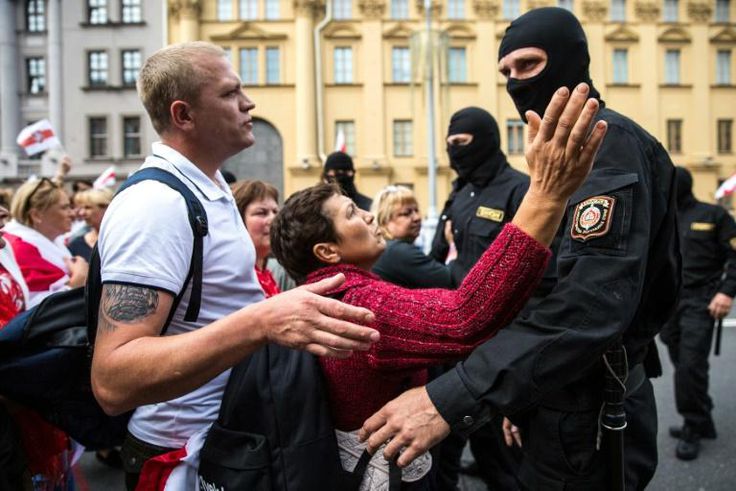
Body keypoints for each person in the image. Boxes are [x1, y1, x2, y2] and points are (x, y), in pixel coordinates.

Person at [360, 8, 680, 491]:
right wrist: (519, 395)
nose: (515, 83)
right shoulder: (554, 154)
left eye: (528, 65)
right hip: (552, 391)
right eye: (505, 72)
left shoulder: (602, 145)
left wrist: (455, 395)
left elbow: (590, 305)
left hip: (591, 408)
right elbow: (543, 284)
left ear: (569, 60)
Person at [270, 84, 607, 489]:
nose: (369, 215)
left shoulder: (330, 290)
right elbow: (465, 316)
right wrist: (546, 196)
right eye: (352, 214)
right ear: (326, 251)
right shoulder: (357, 302)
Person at [89, 41, 380, 490]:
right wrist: (263, 321)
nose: (249, 103)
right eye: (229, 94)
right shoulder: (156, 204)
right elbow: (113, 379)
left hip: (228, 441)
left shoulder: (209, 185)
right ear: (184, 115)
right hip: (180, 455)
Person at [430, 106, 540, 490]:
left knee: (506, 447)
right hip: (457, 338)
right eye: (448, 144)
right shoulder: (459, 193)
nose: (453, 151)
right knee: (459, 434)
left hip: (501, 340)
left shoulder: (520, 190)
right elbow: (436, 259)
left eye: (461, 143)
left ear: (487, 140)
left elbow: (534, 272)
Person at [660, 166, 736, 461]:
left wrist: (726, 291)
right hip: (670, 304)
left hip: (701, 301)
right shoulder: (663, 219)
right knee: (684, 365)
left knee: (690, 365)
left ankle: (693, 424)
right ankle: (703, 419)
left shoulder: (713, 215)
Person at [4, 178, 89, 307]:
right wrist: (75, 283)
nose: (72, 213)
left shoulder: (50, 240)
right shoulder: (19, 248)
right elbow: (28, 308)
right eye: (65, 208)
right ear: (36, 215)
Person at [371, 185, 453, 289]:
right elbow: (450, 280)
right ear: (384, 220)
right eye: (406, 213)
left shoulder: (384, 247)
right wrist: (453, 248)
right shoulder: (398, 251)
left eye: (416, 210)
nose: (417, 217)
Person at [232, 179, 281, 297]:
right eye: (262, 213)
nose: (273, 220)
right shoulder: (237, 277)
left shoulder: (265, 274)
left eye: (275, 212)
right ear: (239, 220)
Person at [67, 187, 113, 261]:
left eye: (87, 208)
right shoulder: (76, 244)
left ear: (106, 208)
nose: (82, 213)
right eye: (81, 208)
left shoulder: (123, 240)